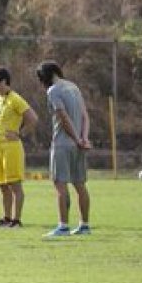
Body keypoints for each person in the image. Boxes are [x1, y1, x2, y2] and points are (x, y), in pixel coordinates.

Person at [36, 61, 92, 237]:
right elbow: (84, 116)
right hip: (79, 144)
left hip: (62, 143)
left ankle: (63, 226)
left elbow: (63, 117)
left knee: (60, 184)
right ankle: (84, 225)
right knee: (80, 184)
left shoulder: (53, 91)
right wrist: (83, 138)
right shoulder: (73, 87)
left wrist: (75, 138)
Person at [0, 67, 37, 228]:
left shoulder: (15, 99)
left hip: (11, 147)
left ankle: (17, 219)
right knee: (2, 184)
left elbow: (32, 118)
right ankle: (6, 217)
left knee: (14, 184)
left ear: (3, 81)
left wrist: (19, 133)